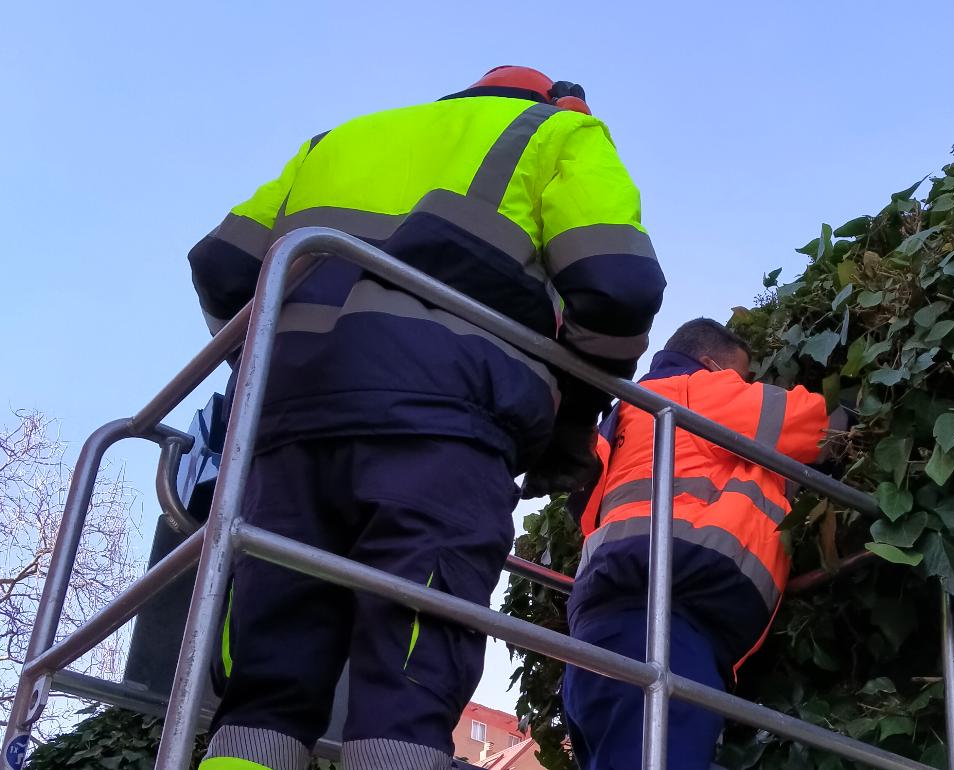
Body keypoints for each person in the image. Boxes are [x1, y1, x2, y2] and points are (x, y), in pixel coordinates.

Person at [187, 66, 665, 770]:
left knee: (265, 688)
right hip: (443, 430)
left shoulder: (339, 139)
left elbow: (222, 264)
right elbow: (618, 288)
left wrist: (286, 370)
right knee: (406, 687)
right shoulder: (558, 131)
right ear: (555, 100)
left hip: (287, 427)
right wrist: (571, 425)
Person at [562, 318, 843, 770]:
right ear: (712, 364)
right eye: (744, 377)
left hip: (602, 630)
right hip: (664, 624)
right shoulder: (693, 391)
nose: (747, 386)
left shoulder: (620, 421)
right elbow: (818, 425)